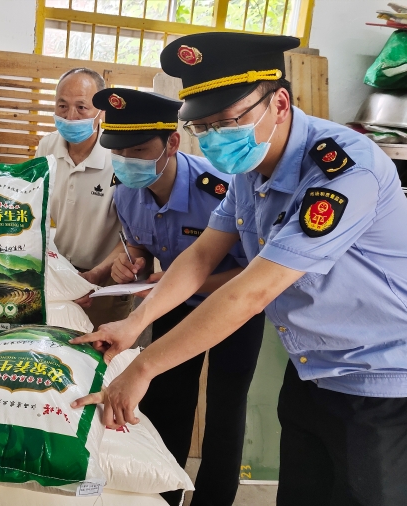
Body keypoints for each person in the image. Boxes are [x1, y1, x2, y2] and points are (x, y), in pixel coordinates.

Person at [71, 32, 407, 506]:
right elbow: (202, 254)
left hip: (380, 379)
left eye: (226, 122)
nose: (214, 140)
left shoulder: (344, 171)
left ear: (280, 103)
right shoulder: (252, 174)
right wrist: (134, 323)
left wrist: (143, 367)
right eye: (201, 128)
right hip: (313, 369)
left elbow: (250, 291)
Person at [86, 87, 265, 506]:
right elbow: (141, 246)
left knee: (225, 410)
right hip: (172, 306)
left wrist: (180, 283)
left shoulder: (223, 190)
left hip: (234, 311)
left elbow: (256, 273)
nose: (128, 160)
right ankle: (163, 495)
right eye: (118, 151)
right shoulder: (127, 191)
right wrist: (133, 264)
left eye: (139, 149)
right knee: (168, 404)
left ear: (172, 141)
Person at [36, 68, 130, 329]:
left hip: (105, 283)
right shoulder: (46, 148)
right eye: (62, 106)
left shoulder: (120, 156)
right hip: (56, 277)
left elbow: (134, 235)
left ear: (102, 112)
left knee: (96, 356)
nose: (70, 116)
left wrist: (93, 276)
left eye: (81, 107)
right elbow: (34, 208)